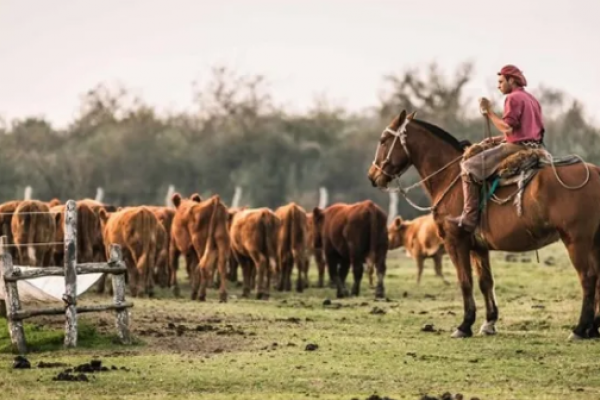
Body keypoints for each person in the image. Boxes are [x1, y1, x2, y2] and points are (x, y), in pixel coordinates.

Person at [446, 65, 545, 232]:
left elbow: (508, 128)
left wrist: (489, 112)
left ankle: (469, 218)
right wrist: (494, 140)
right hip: (535, 146)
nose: (498, 85)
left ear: (511, 80)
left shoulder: (513, 98)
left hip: (517, 148)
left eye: (501, 82)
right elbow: (526, 131)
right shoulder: (531, 98)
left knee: (468, 167)